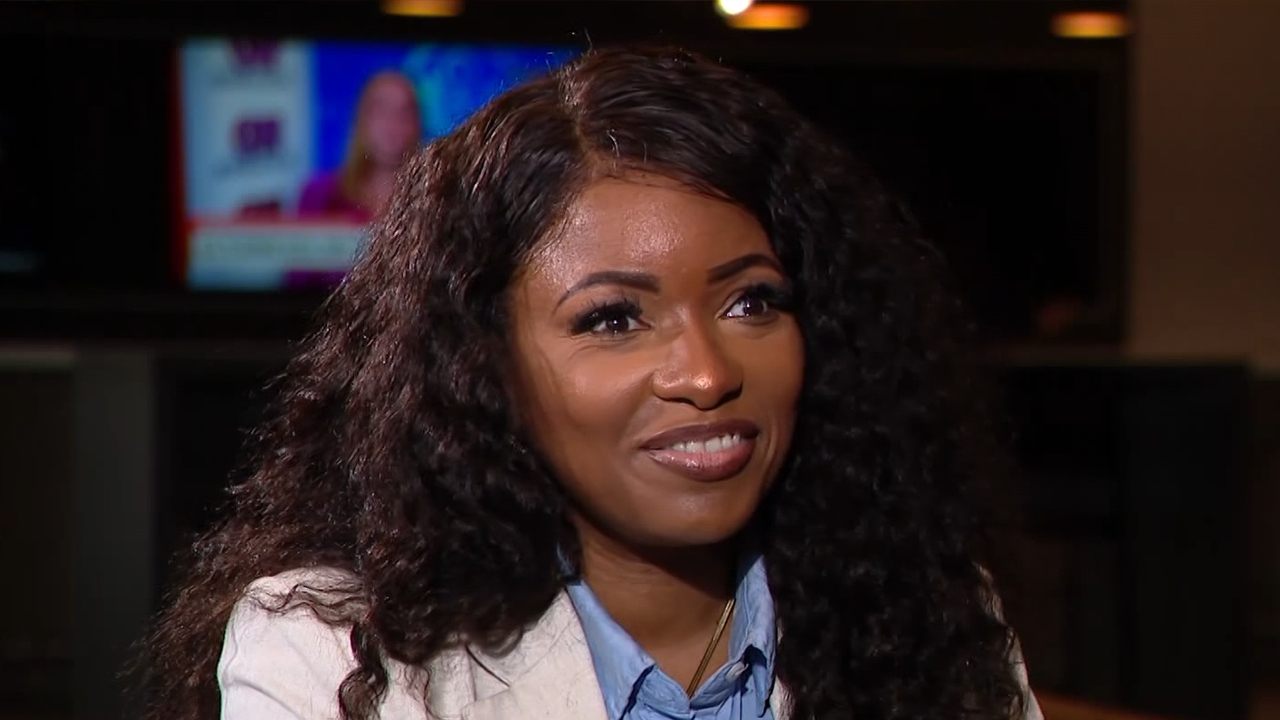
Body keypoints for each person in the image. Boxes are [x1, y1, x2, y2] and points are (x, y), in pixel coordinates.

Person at [136, 46, 1044, 720]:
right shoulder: (330, 651)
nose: (706, 374)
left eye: (752, 302)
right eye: (613, 319)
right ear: (482, 365)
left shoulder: (928, 612)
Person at [297, 71, 422, 222]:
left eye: (405, 112)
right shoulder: (319, 194)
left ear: (417, 124)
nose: (393, 122)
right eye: (381, 111)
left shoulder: (432, 197)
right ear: (361, 120)